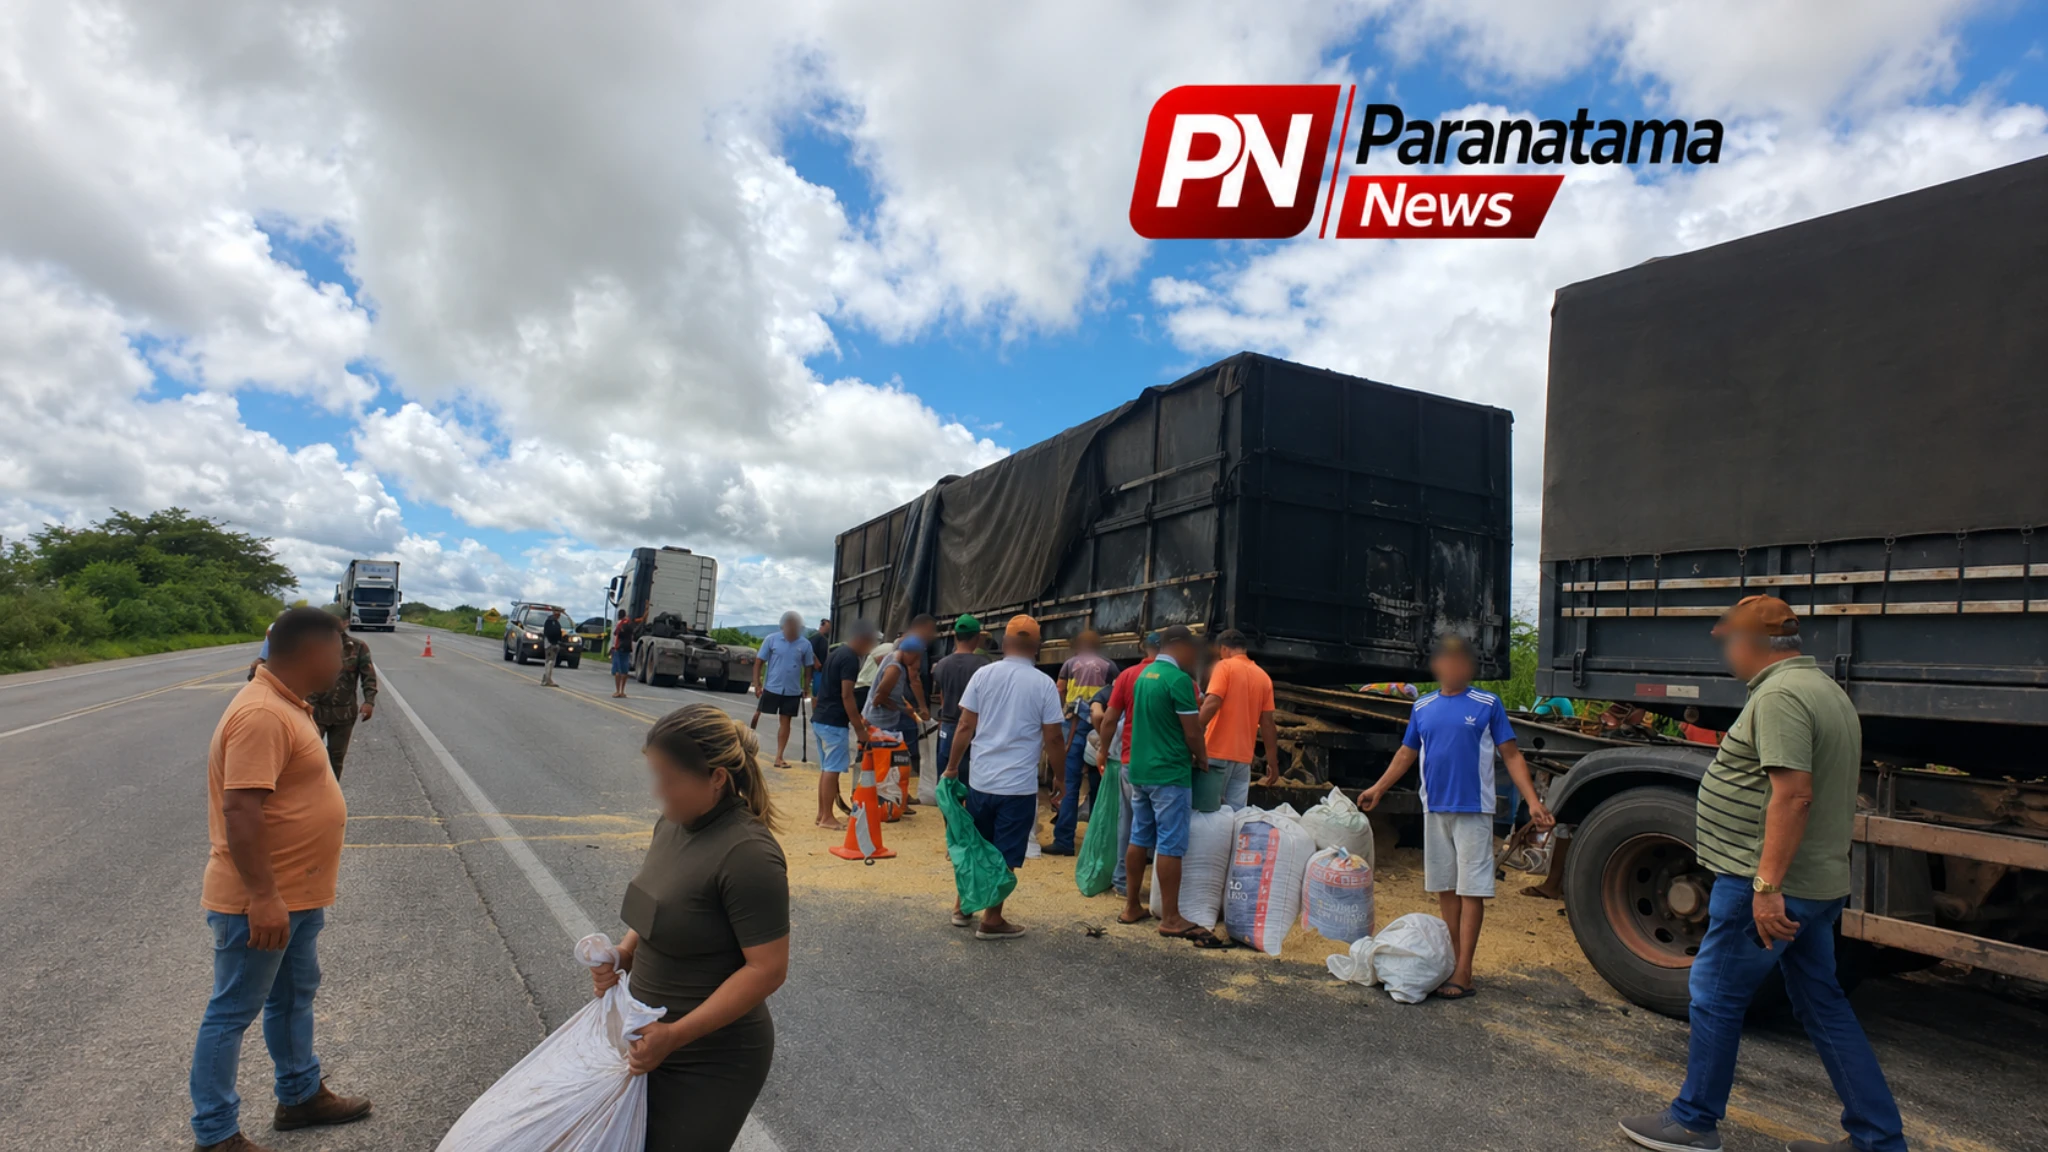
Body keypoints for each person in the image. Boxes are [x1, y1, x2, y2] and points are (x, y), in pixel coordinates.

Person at [1620, 596, 1904, 1152]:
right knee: (1821, 1002)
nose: (1726, 650)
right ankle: (1876, 1138)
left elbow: (1794, 795)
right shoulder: (1825, 690)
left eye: (1728, 640)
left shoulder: (1780, 696)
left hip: (1771, 885)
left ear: (1749, 643)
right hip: (1815, 885)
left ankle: (1694, 1120)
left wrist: (1767, 887)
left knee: (1715, 993)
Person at [189, 607, 370, 1152]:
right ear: (313, 652)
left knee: (292, 997)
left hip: (294, 894)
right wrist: (263, 897)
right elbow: (241, 809)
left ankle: (300, 1094)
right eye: (339, 649)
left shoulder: (288, 705)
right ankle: (216, 1133)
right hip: (262, 901)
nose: (344, 660)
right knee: (231, 1012)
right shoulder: (263, 714)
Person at [592, 704, 789, 1152]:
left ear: (717, 777)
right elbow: (658, 909)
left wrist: (676, 1036)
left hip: (710, 1060)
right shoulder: (672, 825)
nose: (658, 791)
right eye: (654, 773)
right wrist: (623, 955)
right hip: (648, 1043)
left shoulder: (749, 855)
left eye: (669, 777)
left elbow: (768, 971)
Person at [1358, 635, 1553, 1000]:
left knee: (1471, 890)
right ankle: (1451, 961)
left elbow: (1511, 755)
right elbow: (1406, 753)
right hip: (1435, 808)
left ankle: (1465, 971)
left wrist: (1534, 803)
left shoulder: (1487, 704)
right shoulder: (1423, 707)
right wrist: (1378, 788)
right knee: (1446, 887)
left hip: (1473, 811)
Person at [942, 614, 1065, 940]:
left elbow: (965, 726)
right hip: (1017, 787)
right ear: (1037, 647)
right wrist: (1061, 779)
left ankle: (962, 907)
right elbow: (1054, 738)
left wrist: (952, 767)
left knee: (976, 847)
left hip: (981, 782)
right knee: (1005, 853)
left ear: (1005, 643)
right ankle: (992, 920)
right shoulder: (1043, 685)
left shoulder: (984, 675)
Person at [1119, 625, 1222, 946]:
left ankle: (1132, 905)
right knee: (1170, 844)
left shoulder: (1143, 678)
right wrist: (1202, 758)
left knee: (1139, 836)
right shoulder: (1178, 681)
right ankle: (1171, 918)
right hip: (1169, 773)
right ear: (1178, 646)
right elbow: (1192, 732)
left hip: (1140, 769)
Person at [1095, 631, 1160, 896]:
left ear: (1144, 648)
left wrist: (1102, 750)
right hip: (1165, 765)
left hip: (1130, 761)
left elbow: (1108, 719)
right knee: (1163, 826)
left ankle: (1122, 882)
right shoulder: (1181, 679)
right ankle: (1157, 888)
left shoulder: (1127, 676)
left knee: (1128, 821)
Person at [1198, 629, 1279, 808]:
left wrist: (1192, 732)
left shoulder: (1224, 667)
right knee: (1235, 816)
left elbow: (1212, 703)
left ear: (1224, 649)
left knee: (1208, 811)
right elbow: (1267, 724)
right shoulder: (1263, 677)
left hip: (1216, 753)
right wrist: (1272, 762)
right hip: (1243, 759)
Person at [810, 619, 878, 830]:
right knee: (832, 769)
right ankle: (827, 817)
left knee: (826, 768)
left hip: (821, 718)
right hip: (833, 721)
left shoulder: (837, 653)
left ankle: (822, 814)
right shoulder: (850, 658)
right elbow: (847, 695)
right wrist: (860, 729)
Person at [861, 628, 932, 806]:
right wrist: (900, 708)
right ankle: (889, 799)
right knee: (890, 762)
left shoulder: (892, 657)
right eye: (915, 657)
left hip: (885, 720)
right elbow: (879, 698)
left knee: (891, 761)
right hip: (882, 723)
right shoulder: (895, 669)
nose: (916, 661)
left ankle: (895, 797)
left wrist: (906, 707)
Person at [1047, 680, 1113, 854]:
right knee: (1100, 791)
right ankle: (1097, 845)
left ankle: (1064, 840)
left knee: (1069, 786)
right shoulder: (1114, 688)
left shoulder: (1102, 694)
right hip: (1101, 740)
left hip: (1078, 725)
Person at [931, 615, 992, 795]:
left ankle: (951, 822)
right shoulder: (984, 666)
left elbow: (942, 697)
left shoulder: (942, 665)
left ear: (956, 636)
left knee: (948, 783)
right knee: (973, 784)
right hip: (975, 730)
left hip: (948, 728)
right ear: (976, 638)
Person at [303, 632, 376, 778]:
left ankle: (331, 792)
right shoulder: (312, 644)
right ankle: (309, 793)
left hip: (344, 712)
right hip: (315, 710)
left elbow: (368, 676)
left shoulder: (358, 647)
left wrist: (369, 701)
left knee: (337, 757)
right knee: (309, 755)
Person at [751, 612, 817, 769]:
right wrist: (757, 683)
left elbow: (808, 667)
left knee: (785, 721)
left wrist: (806, 687)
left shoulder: (805, 644)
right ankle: (746, 747)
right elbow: (759, 662)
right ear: (783, 626)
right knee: (758, 713)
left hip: (792, 690)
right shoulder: (771, 639)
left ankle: (779, 756)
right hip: (771, 686)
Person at [1056, 630, 1118, 715]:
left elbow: (1061, 689)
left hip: (1073, 712)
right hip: (1096, 712)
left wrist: (1063, 708)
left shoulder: (1069, 663)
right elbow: (1117, 690)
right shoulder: (1108, 664)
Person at [539, 608, 568, 687]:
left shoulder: (555, 622)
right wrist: (554, 643)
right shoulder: (551, 622)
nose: (559, 615)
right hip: (550, 644)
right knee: (550, 662)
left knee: (550, 662)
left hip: (553, 644)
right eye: (558, 613)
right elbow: (550, 633)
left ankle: (546, 679)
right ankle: (547, 680)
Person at [808, 618, 832, 699]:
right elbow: (808, 650)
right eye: (828, 626)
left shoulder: (825, 639)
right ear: (822, 625)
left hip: (823, 669)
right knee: (817, 693)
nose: (829, 629)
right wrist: (816, 662)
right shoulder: (815, 638)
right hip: (817, 669)